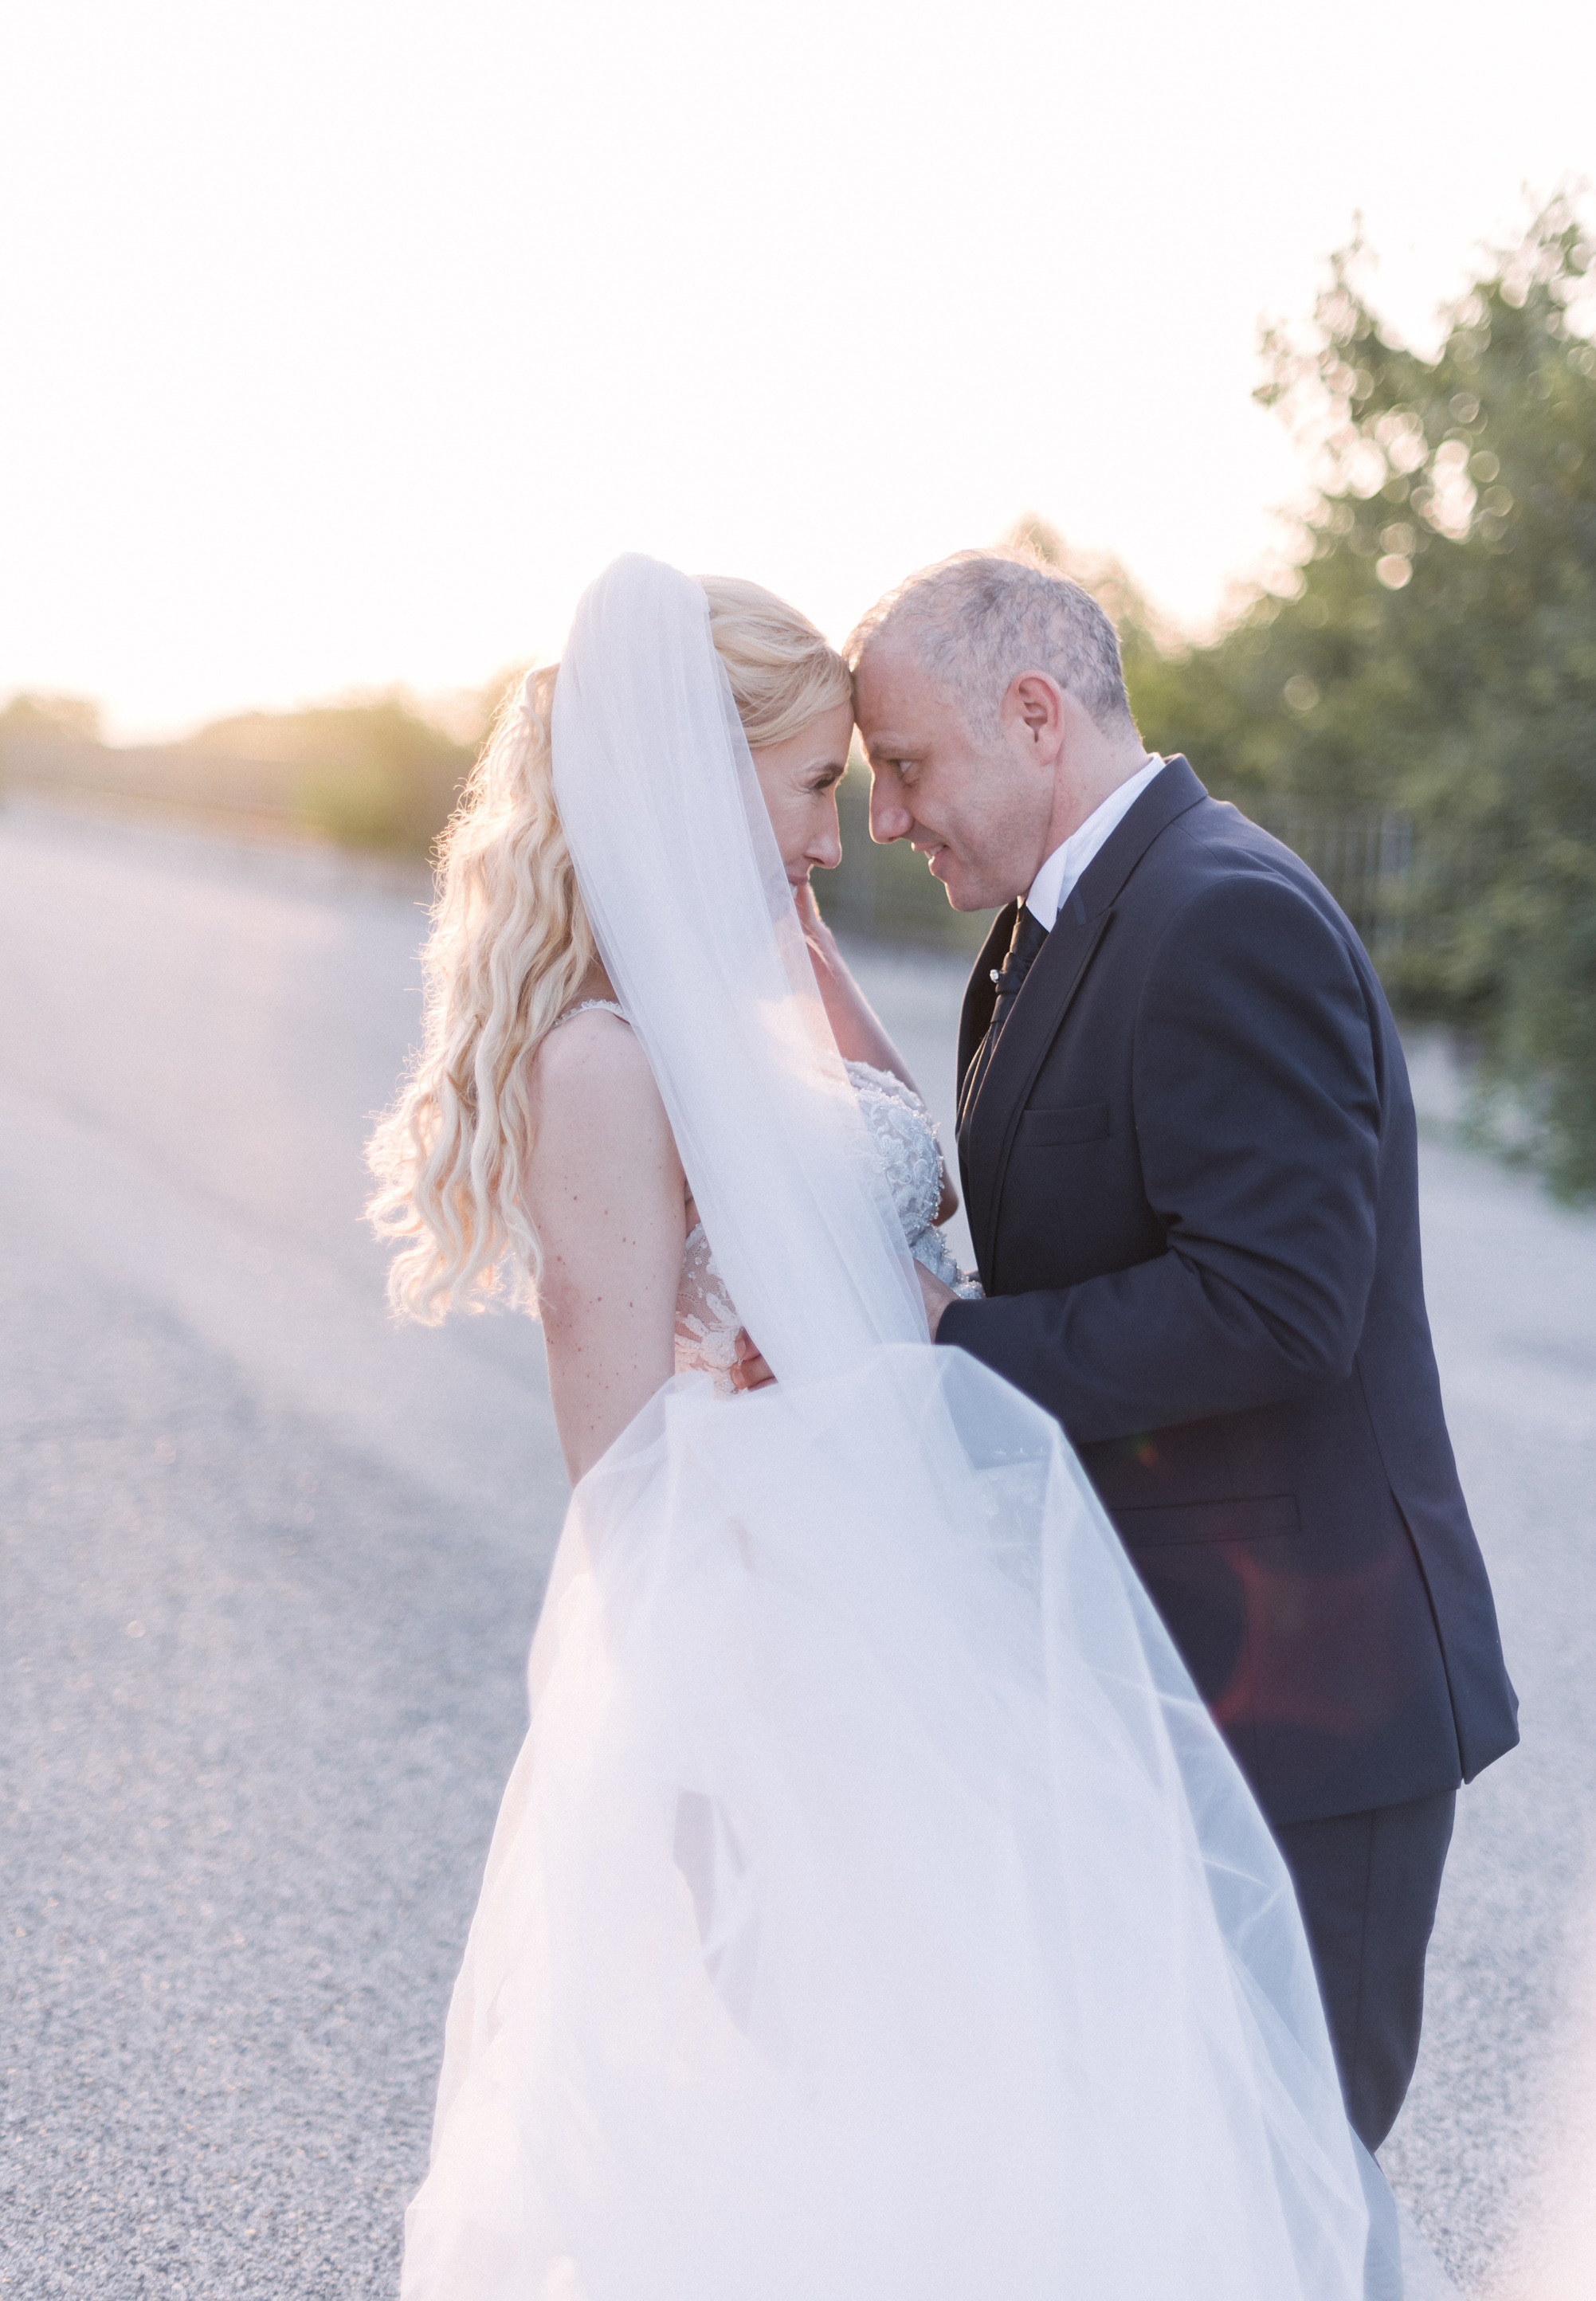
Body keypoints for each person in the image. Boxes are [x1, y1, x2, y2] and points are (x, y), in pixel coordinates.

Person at [367, 555, 1430, 2299]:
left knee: (1086, 2117)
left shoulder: (760, 996)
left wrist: (770, 921)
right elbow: (622, 1487)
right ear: (708, 781)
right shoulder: (604, 1066)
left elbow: (910, 1185)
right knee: (897, 2120)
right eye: (816, 791)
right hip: (806, 1658)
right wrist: (697, 1788)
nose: (849, 834)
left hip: (954, 1627)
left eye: (880, 783)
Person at [842, 547, 1520, 2159]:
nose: (889, 818)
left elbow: (1280, 1303)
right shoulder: (1047, 930)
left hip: (1305, 1707)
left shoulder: (1225, 917)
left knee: (1277, 2197)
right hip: (1171, 1679)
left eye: (907, 767)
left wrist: (956, 1347)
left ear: (1032, 713)